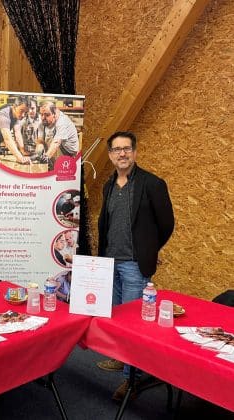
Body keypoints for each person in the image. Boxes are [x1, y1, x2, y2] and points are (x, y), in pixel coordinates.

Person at [97, 131, 174, 401]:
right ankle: (122, 360)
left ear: (135, 152)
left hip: (133, 266)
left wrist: (149, 249)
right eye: (116, 150)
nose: (122, 154)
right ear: (110, 155)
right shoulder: (109, 185)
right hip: (111, 263)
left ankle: (133, 378)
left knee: (133, 325)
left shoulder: (152, 184)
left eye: (127, 149)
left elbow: (167, 224)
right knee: (118, 319)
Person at [0, 95, 31, 164]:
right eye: (22, 111)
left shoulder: (16, 114)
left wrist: (23, 151)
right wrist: (20, 158)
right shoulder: (3, 115)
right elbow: (7, 139)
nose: (23, 115)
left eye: (26, 112)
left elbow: (17, 132)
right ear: (14, 106)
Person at [35, 101, 79, 169]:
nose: (43, 118)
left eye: (47, 115)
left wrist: (46, 157)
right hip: (54, 154)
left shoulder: (62, 122)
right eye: (41, 114)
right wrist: (38, 153)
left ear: (54, 114)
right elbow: (40, 141)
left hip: (68, 155)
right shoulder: (42, 123)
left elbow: (56, 142)